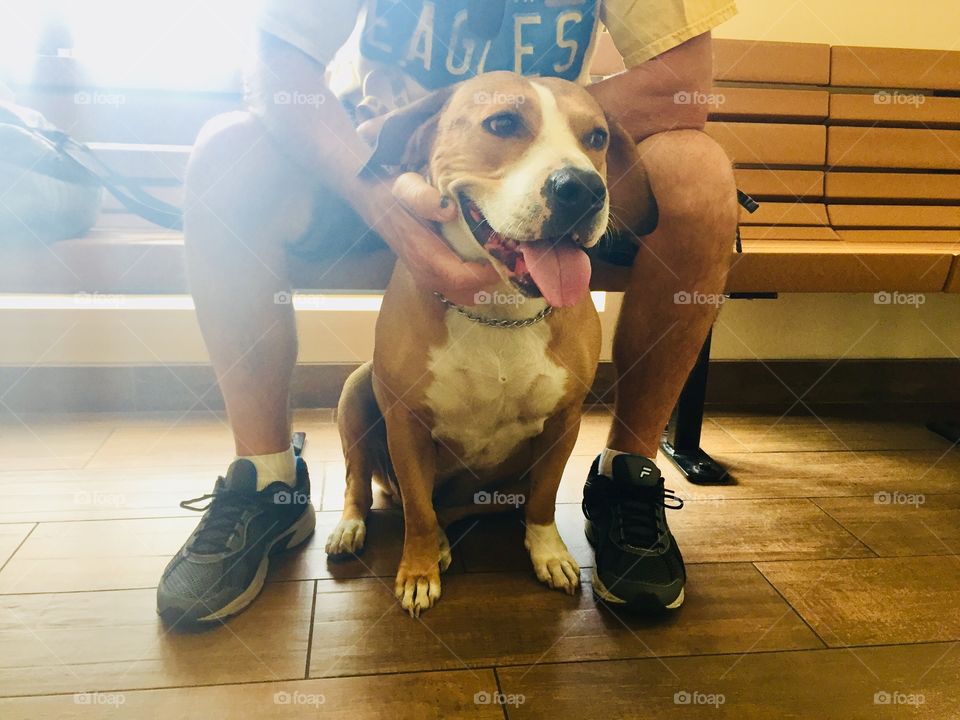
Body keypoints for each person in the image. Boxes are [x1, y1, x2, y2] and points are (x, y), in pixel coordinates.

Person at [156, 0, 739, 626]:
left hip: (535, 184)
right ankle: (265, 478)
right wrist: (381, 186)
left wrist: (543, 130)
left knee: (700, 172)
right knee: (227, 154)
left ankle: (626, 475)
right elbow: (276, 69)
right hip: (369, 148)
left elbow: (682, 85)